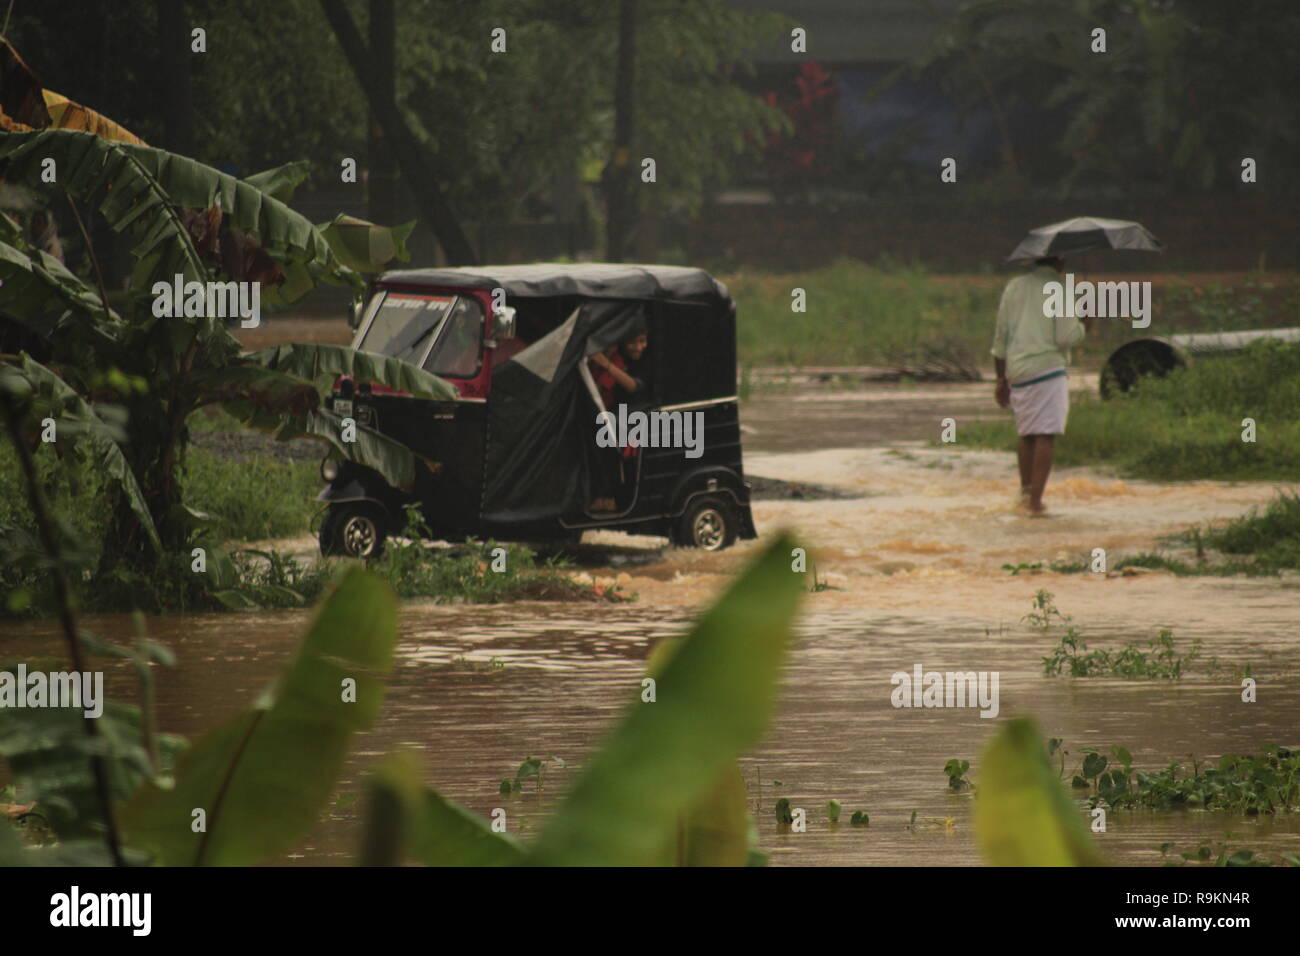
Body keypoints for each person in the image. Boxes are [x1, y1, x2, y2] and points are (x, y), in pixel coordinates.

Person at [990, 255, 1093, 515]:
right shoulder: (1059, 289)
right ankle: (1036, 503)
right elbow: (1066, 337)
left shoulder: (1014, 287)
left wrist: (1001, 379)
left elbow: (1001, 337)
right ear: (1060, 261)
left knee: (1027, 435)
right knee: (1045, 435)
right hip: (1047, 370)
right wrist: (1086, 322)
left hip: (1018, 371)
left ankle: (1026, 496)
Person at [587, 324, 649, 512]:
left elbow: (633, 386)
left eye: (642, 341)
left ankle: (609, 497)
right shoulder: (615, 359)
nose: (638, 347)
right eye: (632, 342)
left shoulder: (635, 363)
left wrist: (605, 363)